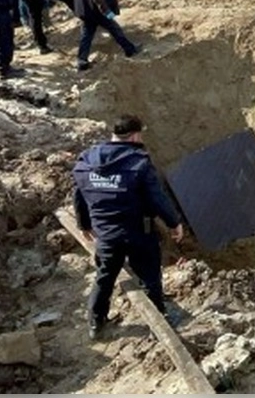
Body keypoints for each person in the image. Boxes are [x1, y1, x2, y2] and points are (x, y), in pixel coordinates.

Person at [73, 114, 185, 340]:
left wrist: (83, 223)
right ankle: (159, 321)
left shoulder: (86, 160)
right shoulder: (139, 163)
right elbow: (157, 198)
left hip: (106, 234)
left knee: (104, 276)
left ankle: (96, 322)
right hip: (138, 233)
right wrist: (174, 223)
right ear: (135, 135)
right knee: (150, 278)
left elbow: (79, 193)